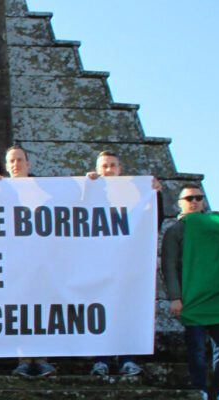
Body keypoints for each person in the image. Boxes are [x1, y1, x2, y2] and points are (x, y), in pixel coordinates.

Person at [163, 184, 219, 400]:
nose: (194, 202)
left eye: (198, 198)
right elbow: (169, 265)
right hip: (191, 299)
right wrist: (175, 297)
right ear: (180, 204)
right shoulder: (174, 231)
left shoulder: (217, 226)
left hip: (216, 298)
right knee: (196, 347)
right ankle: (200, 388)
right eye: (189, 199)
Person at [85, 151, 152, 378]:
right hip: (98, 265)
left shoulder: (134, 194)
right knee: (98, 313)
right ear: (97, 169)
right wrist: (86, 188)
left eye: (112, 165)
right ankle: (101, 359)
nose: (108, 170)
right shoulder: (89, 192)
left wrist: (155, 194)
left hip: (127, 266)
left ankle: (127, 359)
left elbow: (153, 220)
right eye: (104, 166)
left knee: (126, 312)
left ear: (120, 169)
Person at [0, 146, 54, 378]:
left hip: (40, 262)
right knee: (18, 312)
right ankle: (23, 359)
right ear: (6, 165)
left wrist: (93, 183)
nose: (15, 164)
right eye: (11, 161)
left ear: (28, 164)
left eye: (19, 160)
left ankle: (41, 359)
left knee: (41, 310)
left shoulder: (46, 190)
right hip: (12, 263)